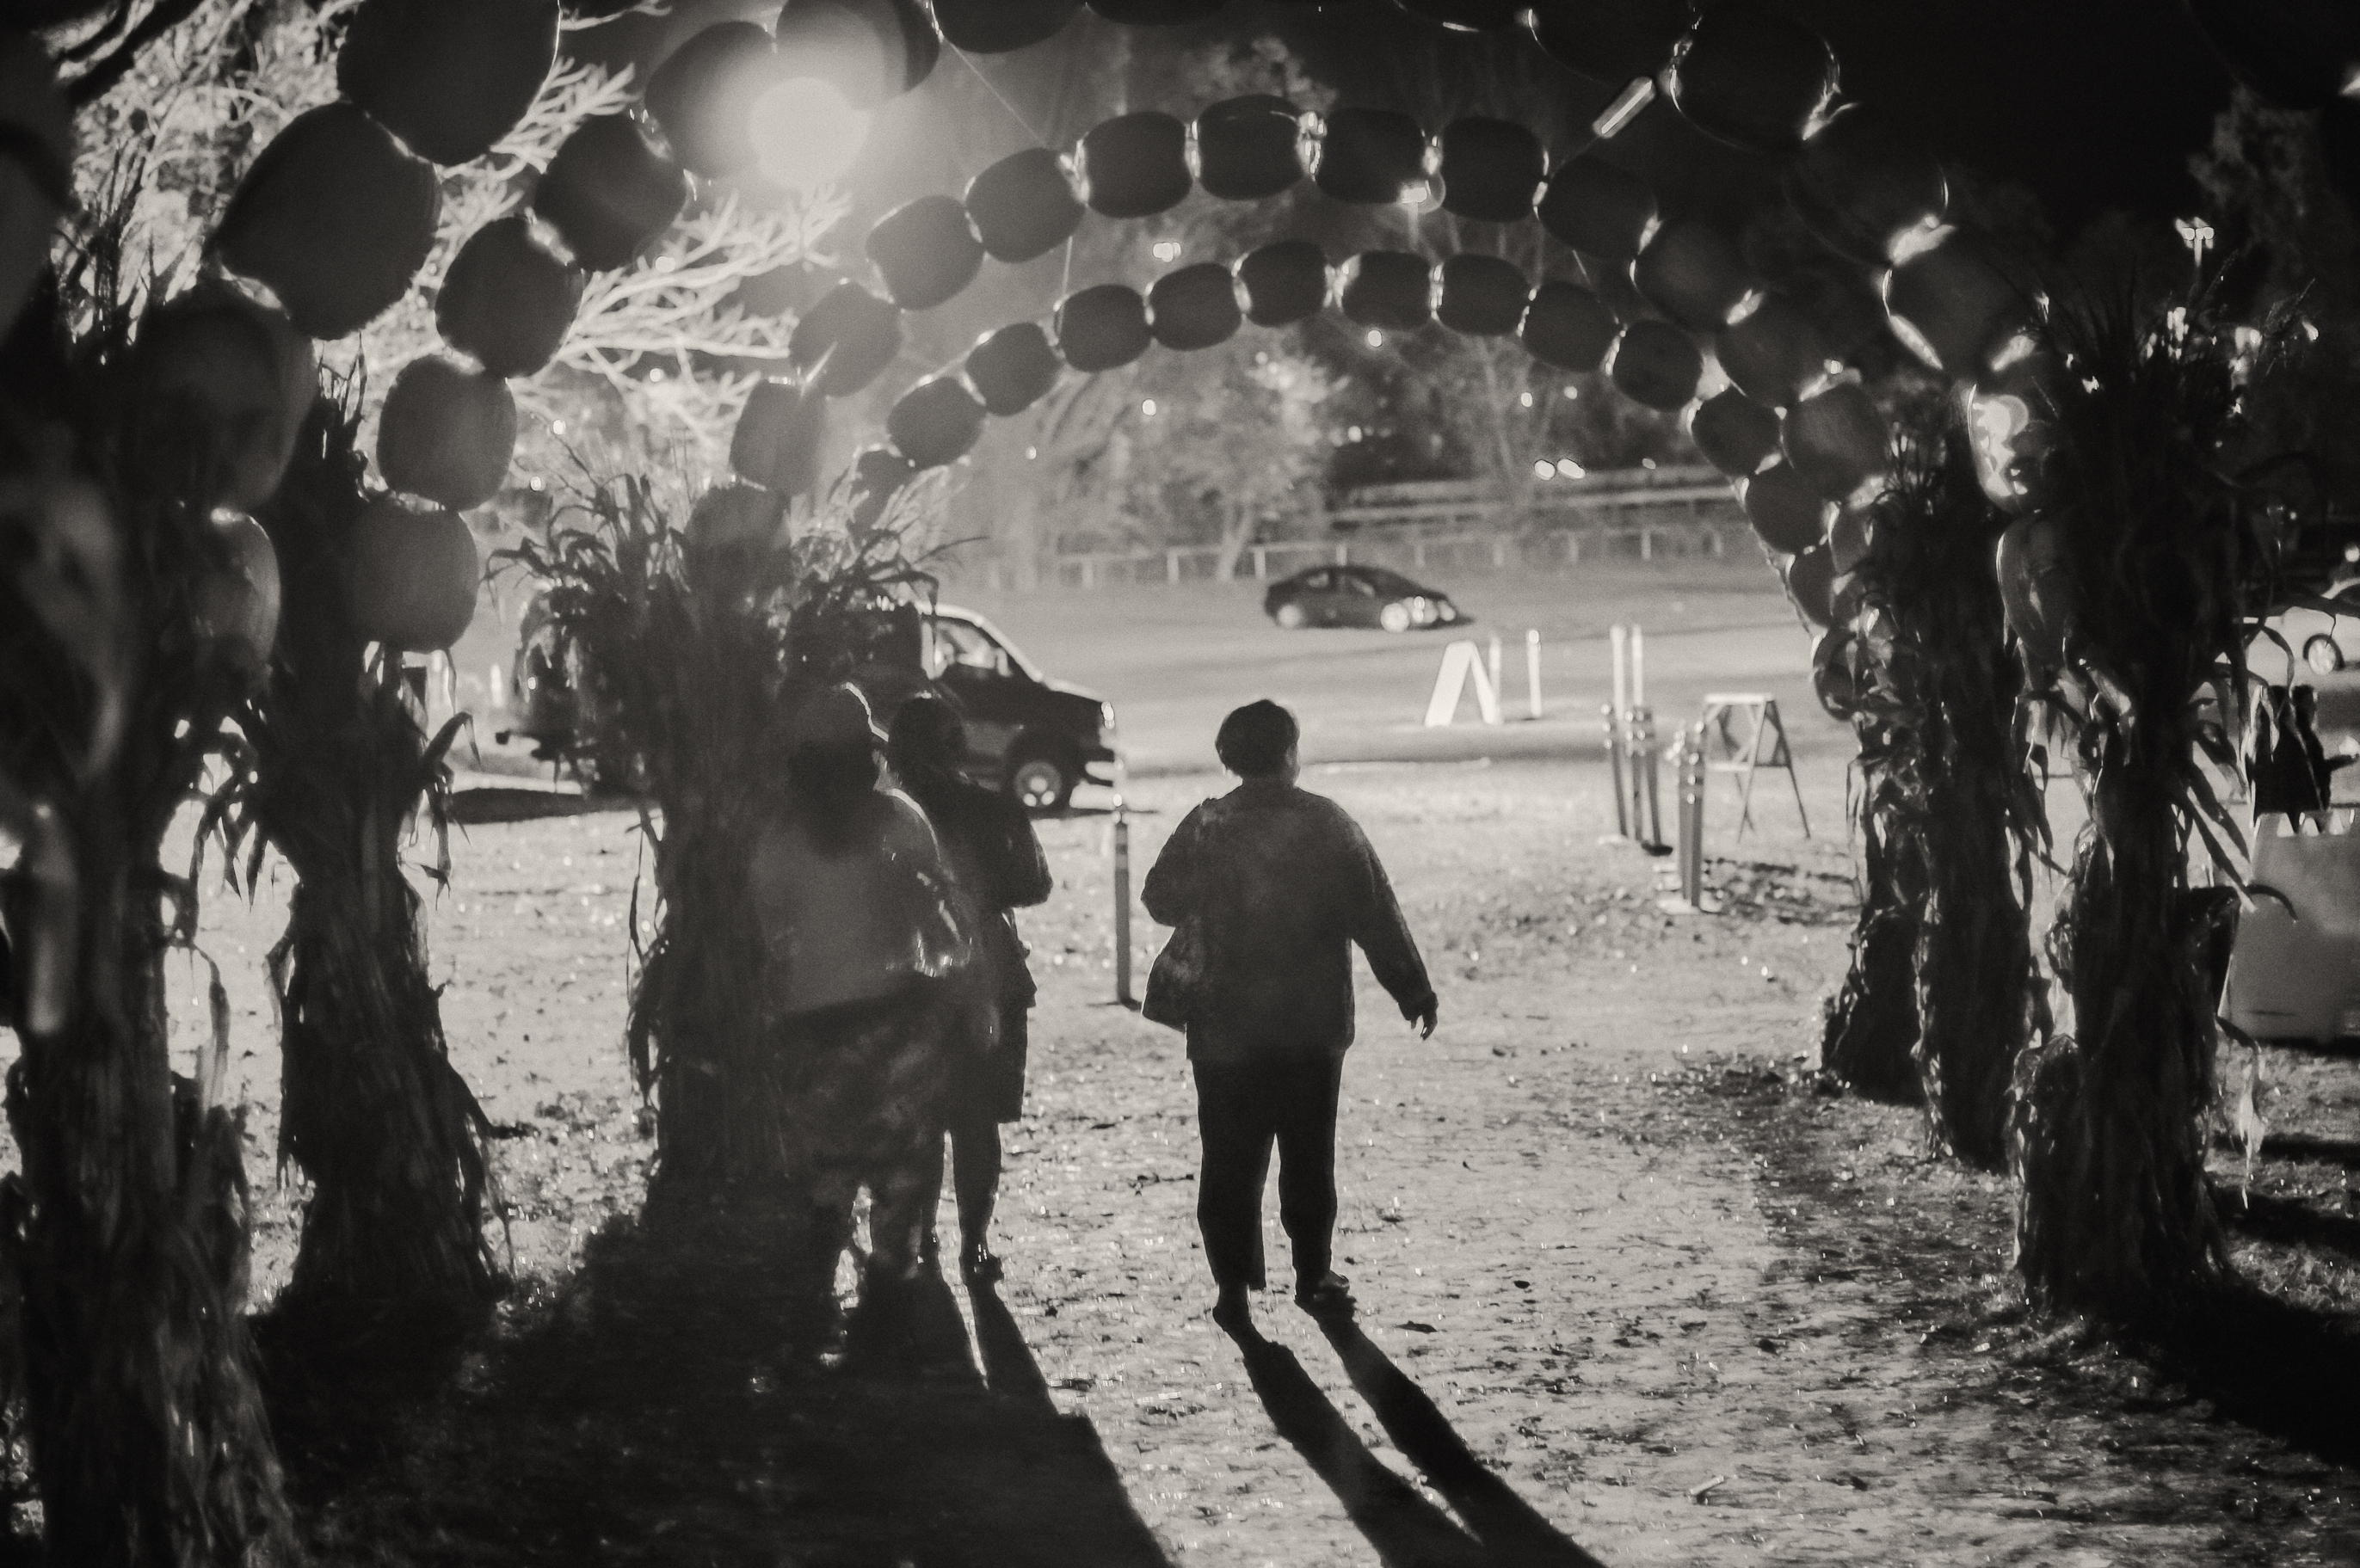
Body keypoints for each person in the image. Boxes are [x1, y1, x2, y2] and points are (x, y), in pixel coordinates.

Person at [1141, 699, 1437, 1335]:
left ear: (1230, 757)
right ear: (1288, 754)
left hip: (1224, 1027)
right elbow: (1376, 914)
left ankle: (1231, 1286)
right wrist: (1413, 990)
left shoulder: (1208, 823)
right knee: (1308, 1155)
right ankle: (1313, 1275)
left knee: (1228, 1159)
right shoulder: (1328, 825)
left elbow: (1158, 898)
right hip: (1310, 1024)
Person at [749, 683, 970, 1315]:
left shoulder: (778, 839)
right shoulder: (900, 822)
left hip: (809, 1025)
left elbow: (770, 933)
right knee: (899, 1171)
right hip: (894, 1020)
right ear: (865, 756)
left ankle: (817, 1288)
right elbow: (943, 923)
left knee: (828, 1167)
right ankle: (890, 1294)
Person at [888, 694, 1053, 1282]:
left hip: (905, 978)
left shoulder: (884, 818)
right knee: (976, 1122)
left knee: (920, 1120)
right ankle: (974, 1243)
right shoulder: (992, 808)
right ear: (957, 745)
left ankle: (922, 1235)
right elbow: (1036, 883)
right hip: (991, 968)